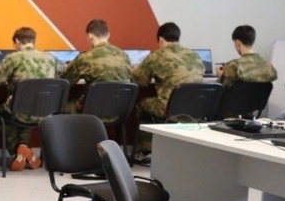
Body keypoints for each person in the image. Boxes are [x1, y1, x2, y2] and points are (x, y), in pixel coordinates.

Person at [132, 21, 205, 164]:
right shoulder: (195, 55)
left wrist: (135, 69)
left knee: (141, 104)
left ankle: (147, 151)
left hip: (169, 108)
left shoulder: (157, 56)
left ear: (160, 39)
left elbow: (141, 81)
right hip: (195, 108)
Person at [0, 27, 58, 171]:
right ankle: (24, 147)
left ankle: (17, 150)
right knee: (29, 108)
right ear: (34, 41)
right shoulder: (50, 59)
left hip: (20, 111)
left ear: (17, 42)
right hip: (46, 112)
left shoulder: (13, 58)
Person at [61, 19, 133, 112]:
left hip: (91, 111)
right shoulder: (124, 56)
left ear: (90, 36)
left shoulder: (86, 58)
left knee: (61, 106)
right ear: (108, 35)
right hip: (116, 111)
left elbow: (64, 82)